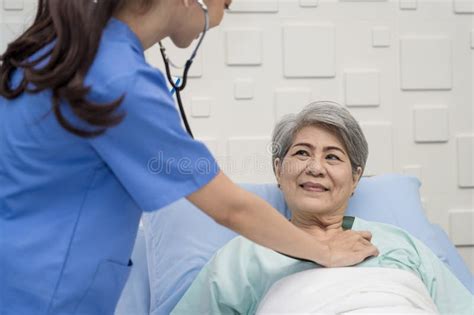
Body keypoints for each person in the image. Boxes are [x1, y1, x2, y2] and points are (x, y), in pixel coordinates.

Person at [0, 1, 378, 314]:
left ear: (357, 176)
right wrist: (324, 250)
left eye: (333, 157)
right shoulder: (118, 81)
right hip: (46, 296)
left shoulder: (55, 56)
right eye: (225, 3)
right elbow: (230, 207)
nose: (220, 18)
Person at [171, 102, 473, 315]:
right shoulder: (244, 256)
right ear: (279, 169)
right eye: (302, 153)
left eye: (332, 157)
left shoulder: (400, 244)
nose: (315, 168)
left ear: (355, 177)